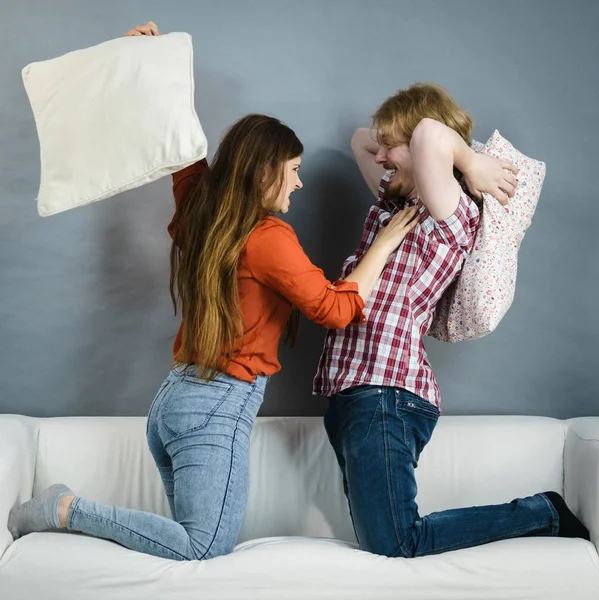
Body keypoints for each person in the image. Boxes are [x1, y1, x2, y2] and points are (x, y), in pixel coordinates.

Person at [7, 22, 420, 561]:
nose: (298, 183)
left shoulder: (203, 207)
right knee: (202, 547)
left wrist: (147, 59)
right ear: (267, 170)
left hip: (175, 400)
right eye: (293, 171)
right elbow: (337, 309)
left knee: (186, 553)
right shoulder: (269, 238)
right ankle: (65, 509)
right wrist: (384, 244)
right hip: (213, 406)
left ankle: (68, 512)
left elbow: (175, 134)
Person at [314, 83, 590, 558]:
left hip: (387, 392)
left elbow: (428, 134)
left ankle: (541, 513)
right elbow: (362, 139)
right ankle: (541, 514)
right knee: (386, 541)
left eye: (391, 146)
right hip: (356, 393)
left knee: (396, 542)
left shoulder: (451, 212)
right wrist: (397, 143)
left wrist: (470, 162)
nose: (379, 156)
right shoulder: (396, 204)